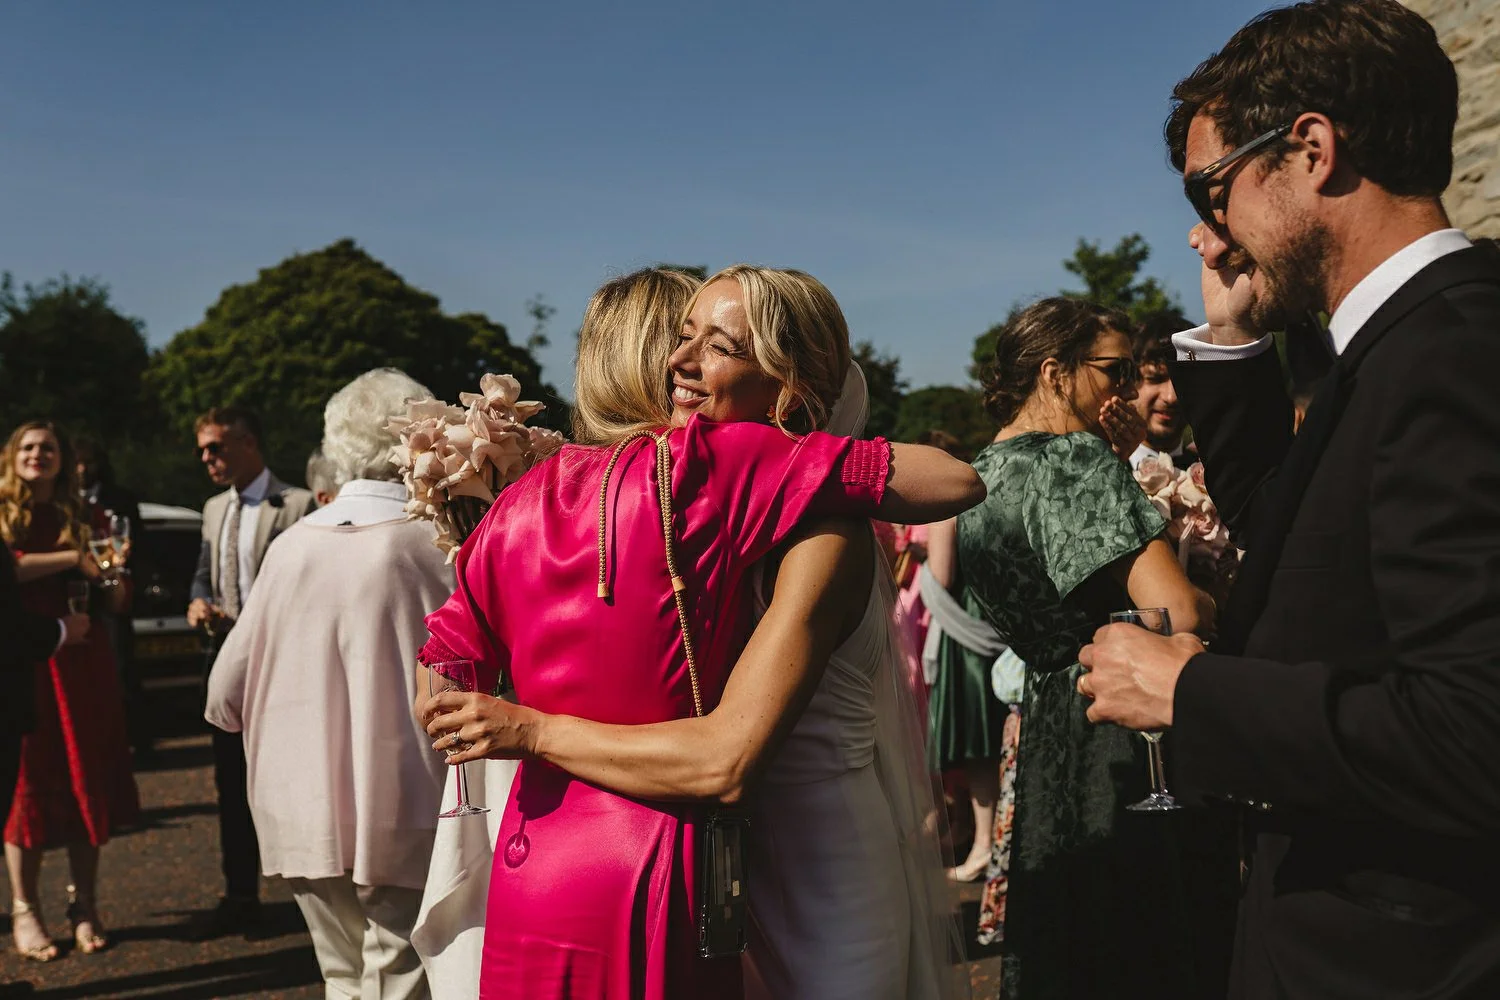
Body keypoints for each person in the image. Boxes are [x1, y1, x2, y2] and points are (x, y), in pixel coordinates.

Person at [1080, 2, 1500, 997]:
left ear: (1310, 149)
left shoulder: (1455, 354)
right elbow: (1304, 554)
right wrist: (1228, 346)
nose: (1202, 227)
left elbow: (1477, 731)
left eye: (1211, 185)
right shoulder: (1401, 346)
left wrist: (1192, 693)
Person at [417, 266, 982, 1000]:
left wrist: (521, 715)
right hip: (667, 847)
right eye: (682, 338)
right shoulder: (714, 472)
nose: (682, 364)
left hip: (613, 850)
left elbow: (438, 675)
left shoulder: (536, 497)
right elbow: (954, 480)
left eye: (718, 345)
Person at [956, 298, 1227, 998]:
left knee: (1075, 938)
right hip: (1127, 726)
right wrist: (1224, 596)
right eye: (1113, 370)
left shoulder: (981, 473)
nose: (1125, 388)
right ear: (1055, 372)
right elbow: (1173, 609)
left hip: (1048, 726)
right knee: (1152, 938)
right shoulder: (1073, 460)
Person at [206, 369, 450, 1000]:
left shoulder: (288, 549)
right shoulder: (437, 545)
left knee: (342, 980)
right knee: (402, 981)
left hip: (298, 813)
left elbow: (223, 697)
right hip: (407, 804)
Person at [2, 421, 138, 961]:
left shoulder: (87, 515)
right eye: (29, 447)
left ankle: (85, 904)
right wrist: (71, 558)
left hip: (83, 662)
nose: (39, 454)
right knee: (26, 785)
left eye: (49, 447)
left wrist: (111, 577)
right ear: (13, 457)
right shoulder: (6, 514)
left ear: (64, 459)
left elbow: (118, 600)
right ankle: (24, 908)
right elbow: (6, 572)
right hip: (25, 664)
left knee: (88, 777)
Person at [185, 406, 316, 938]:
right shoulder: (214, 508)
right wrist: (197, 602)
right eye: (201, 451)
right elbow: (202, 573)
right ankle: (240, 897)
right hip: (222, 660)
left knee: (289, 782)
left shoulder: (298, 504)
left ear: (248, 443)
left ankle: (313, 898)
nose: (207, 459)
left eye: (215, 447)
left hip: (280, 665)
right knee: (228, 785)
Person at [73, 437, 152, 764]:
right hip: (77, 598)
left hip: (114, 594)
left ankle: (137, 742)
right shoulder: (63, 503)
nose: (81, 469)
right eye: (77, 463)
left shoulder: (120, 500)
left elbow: (140, 545)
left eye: (87, 463)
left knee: (122, 670)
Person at [1128, 319, 1192, 471]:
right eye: (1155, 379)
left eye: (1183, 383)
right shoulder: (1093, 471)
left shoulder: (1216, 477)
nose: (1170, 397)